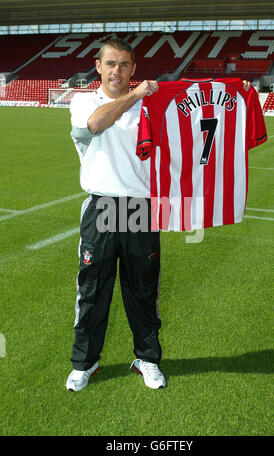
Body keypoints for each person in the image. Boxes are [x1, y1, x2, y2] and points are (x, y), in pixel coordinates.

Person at [66, 39, 166, 391]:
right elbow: (95, 124)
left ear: (133, 68)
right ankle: (84, 362)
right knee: (93, 290)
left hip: (141, 206)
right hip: (103, 205)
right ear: (98, 66)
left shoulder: (152, 105)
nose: (117, 71)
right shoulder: (84, 102)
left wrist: (238, 94)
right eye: (111, 63)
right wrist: (136, 95)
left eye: (124, 64)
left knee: (143, 289)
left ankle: (148, 359)